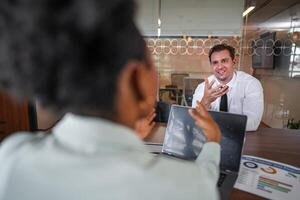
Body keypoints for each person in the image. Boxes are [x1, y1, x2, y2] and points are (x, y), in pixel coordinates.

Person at [0, 0, 222, 200]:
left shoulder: (11, 158)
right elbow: (205, 179)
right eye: (151, 63)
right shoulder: (187, 187)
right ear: (135, 79)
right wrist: (213, 141)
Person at [192, 44, 264, 131]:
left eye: (224, 61)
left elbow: (252, 123)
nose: (220, 66)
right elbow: (195, 121)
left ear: (234, 62)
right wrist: (205, 101)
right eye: (215, 62)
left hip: (242, 139)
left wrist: (212, 123)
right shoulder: (203, 87)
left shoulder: (251, 84)